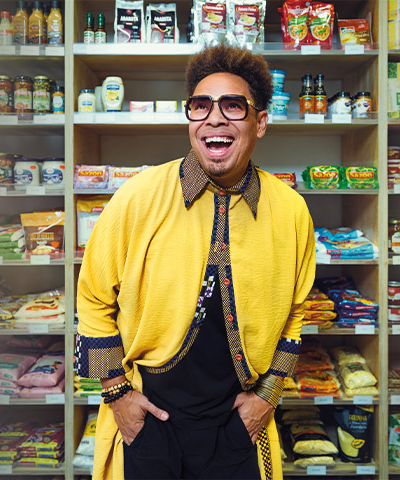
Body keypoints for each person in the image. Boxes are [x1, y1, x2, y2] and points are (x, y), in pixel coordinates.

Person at [74, 44, 316, 480]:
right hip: (149, 423)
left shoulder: (290, 210)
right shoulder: (138, 197)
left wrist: (268, 395)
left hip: (238, 427)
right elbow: (93, 297)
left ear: (260, 122)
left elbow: (296, 313)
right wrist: (117, 394)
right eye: (201, 105)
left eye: (233, 106)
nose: (214, 118)